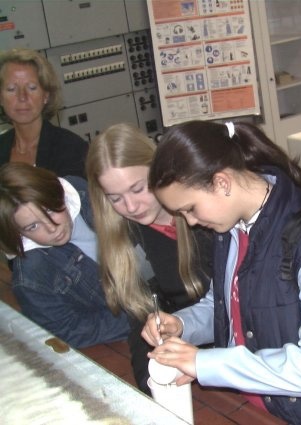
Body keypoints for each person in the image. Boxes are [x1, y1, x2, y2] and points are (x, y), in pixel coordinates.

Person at [141, 120, 301, 424]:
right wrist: (182, 325)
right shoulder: (231, 227)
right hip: (254, 404)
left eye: (190, 208)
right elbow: (223, 304)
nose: (191, 222)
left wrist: (206, 364)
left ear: (221, 183)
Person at [85, 122, 213, 396]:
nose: (131, 207)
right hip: (191, 365)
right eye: (115, 198)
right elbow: (140, 323)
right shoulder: (127, 239)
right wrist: (151, 387)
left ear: (159, 170)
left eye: (138, 188)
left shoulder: (207, 212)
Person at [0, 162, 130, 348]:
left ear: (59, 194)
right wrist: (142, 317)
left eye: (50, 210)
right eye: (32, 226)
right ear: (18, 233)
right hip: (134, 325)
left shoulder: (80, 190)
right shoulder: (31, 277)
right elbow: (66, 331)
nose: (52, 228)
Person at [0, 48, 88, 177]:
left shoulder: (71, 148)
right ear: (1, 98)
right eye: (11, 89)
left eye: (32, 88)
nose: (22, 97)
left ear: (46, 95)